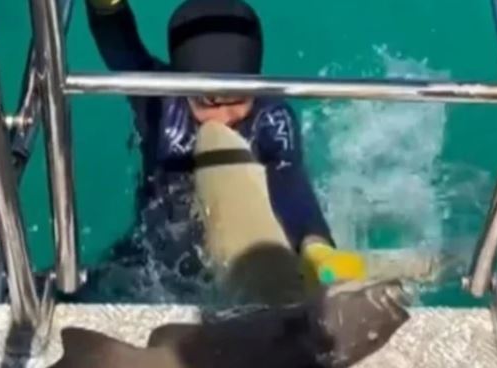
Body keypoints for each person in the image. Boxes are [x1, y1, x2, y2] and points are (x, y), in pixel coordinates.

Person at [84, 0, 367, 290]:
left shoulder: (271, 117)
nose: (225, 116)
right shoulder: (158, 101)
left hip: (238, 257)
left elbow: (289, 179)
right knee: (86, 286)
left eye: (239, 98)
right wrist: (106, 6)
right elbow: (120, 47)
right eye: (210, 101)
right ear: (183, 87)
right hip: (153, 254)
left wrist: (314, 243)